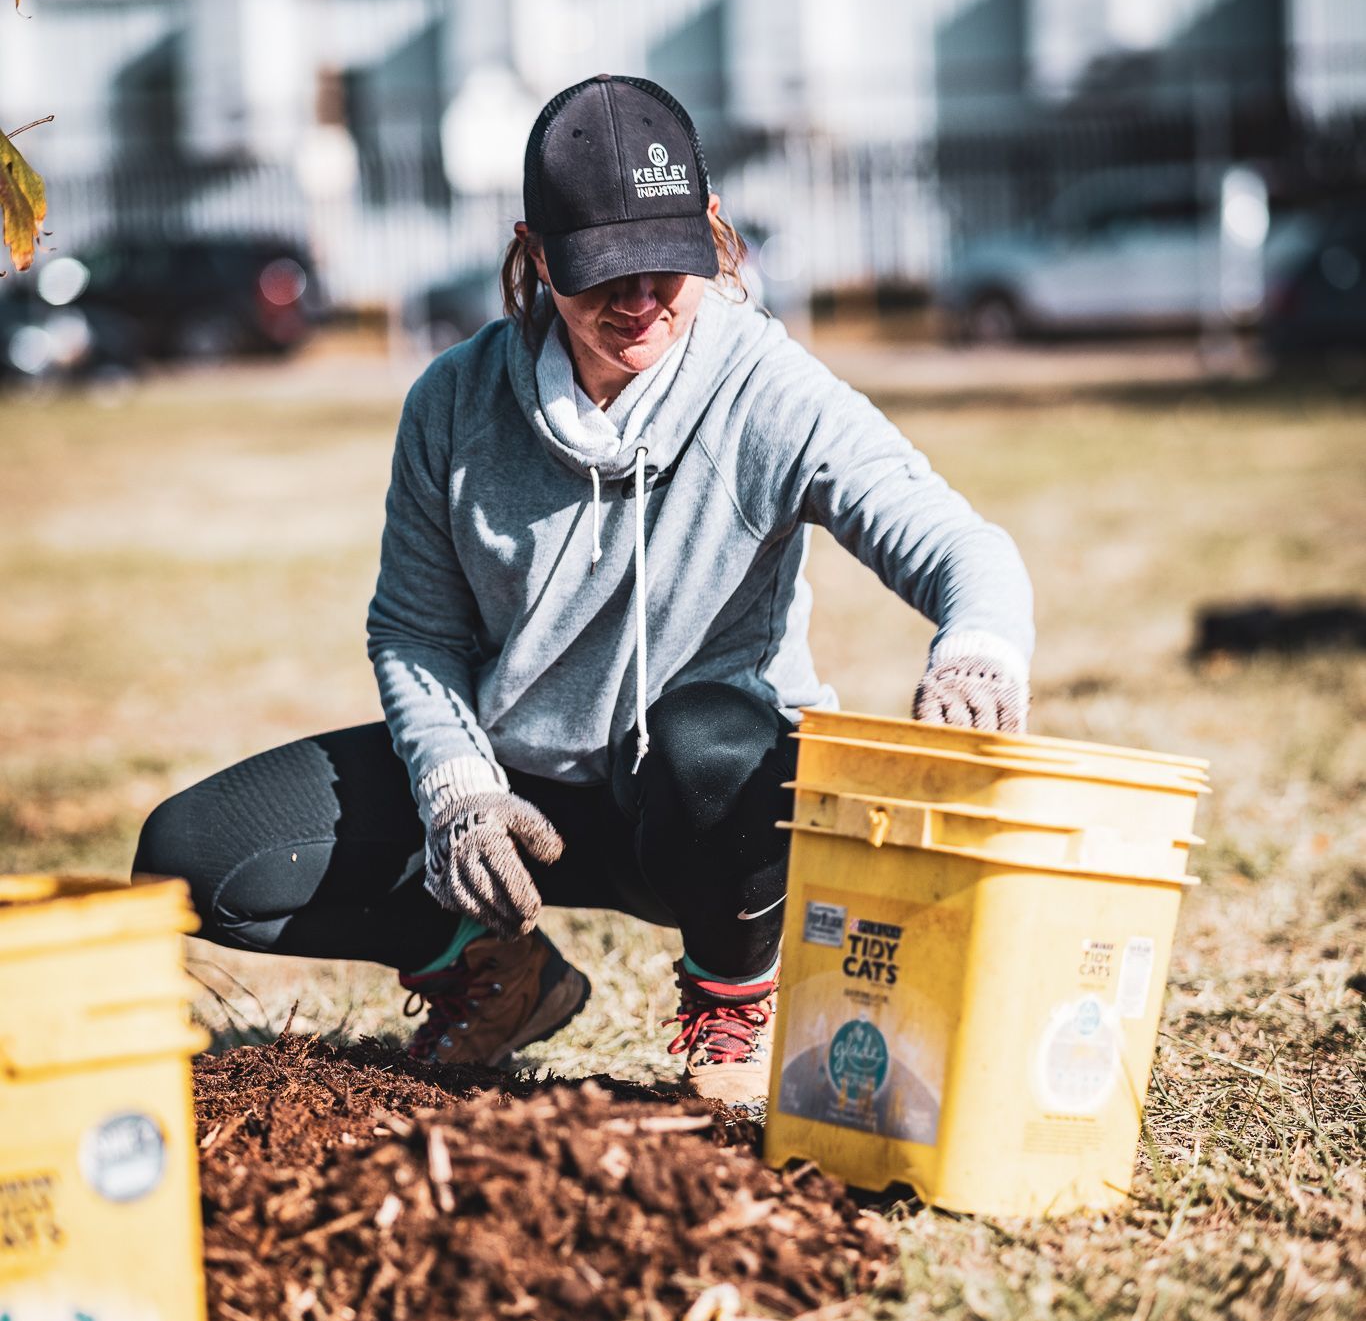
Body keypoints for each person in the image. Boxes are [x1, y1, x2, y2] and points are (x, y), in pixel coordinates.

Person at [134, 74, 1033, 1107]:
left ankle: (731, 993)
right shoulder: (454, 404)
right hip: (513, 801)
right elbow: (415, 627)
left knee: (717, 744)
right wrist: (458, 792)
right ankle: (496, 968)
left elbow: (960, 543)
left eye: (664, 261)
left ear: (708, 230)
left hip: (702, 811)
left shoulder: (764, 392)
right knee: (191, 856)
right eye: (601, 270)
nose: (638, 299)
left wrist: (979, 646)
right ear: (534, 251)